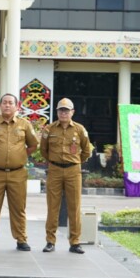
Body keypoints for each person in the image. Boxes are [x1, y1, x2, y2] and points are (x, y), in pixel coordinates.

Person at [0, 93, 38, 251]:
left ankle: (21, 239)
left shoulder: (24, 124)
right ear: (0, 105)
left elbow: (33, 145)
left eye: (11, 103)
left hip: (17, 173)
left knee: (18, 207)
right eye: (4, 102)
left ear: (17, 106)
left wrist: (20, 156)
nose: (7, 105)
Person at [40, 97, 92, 254]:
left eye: (66, 110)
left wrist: (75, 161)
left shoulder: (79, 129)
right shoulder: (49, 129)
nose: (63, 113)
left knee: (74, 207)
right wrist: (54, 162)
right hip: (54, 170)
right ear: (57, 112)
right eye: (61, 110)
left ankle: (75, 242)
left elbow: (87, 151)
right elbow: (44, 150)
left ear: (72, 112)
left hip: (73, 171)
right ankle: (50, 241)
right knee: (52, 207)